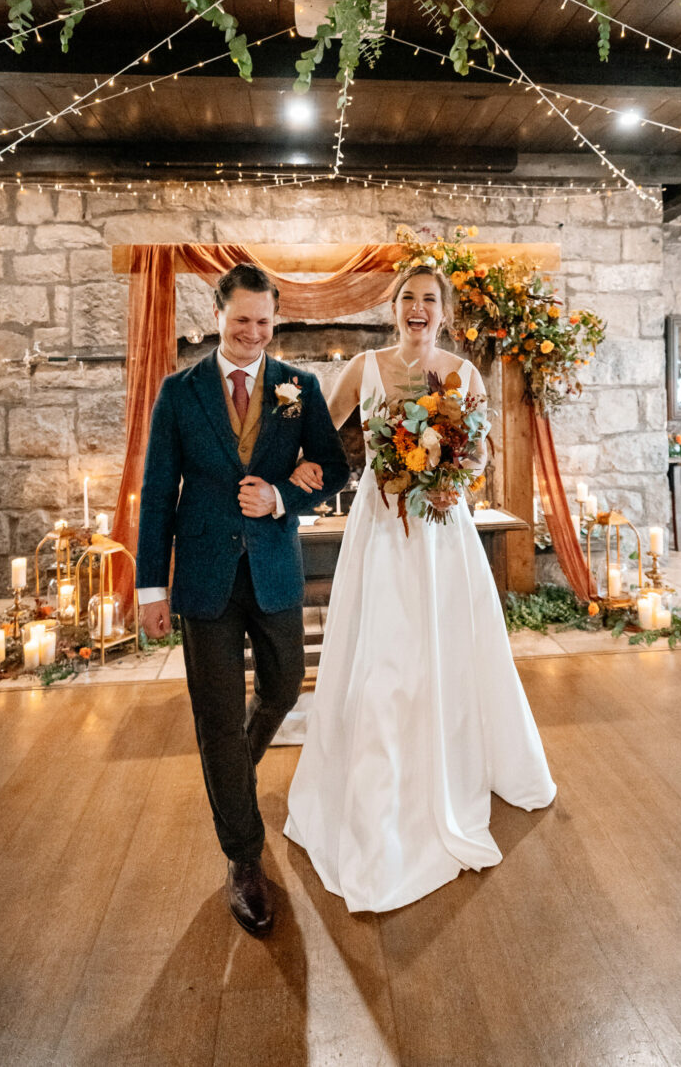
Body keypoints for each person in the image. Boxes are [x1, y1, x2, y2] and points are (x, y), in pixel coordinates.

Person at [283, 266, 556, 913]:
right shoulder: (364, 367)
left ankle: (446, 760)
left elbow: (480, 456)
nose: (416, 307)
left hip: (439, 532)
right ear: (393, 308)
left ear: (443, 311)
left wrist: (447, 476)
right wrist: (287, 468)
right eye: (406, 297)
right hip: (379, 528)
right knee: (381, 656)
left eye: (427, 300)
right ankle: (379, 782)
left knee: (442, 650)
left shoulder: (462, 373)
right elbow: (322, 433)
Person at [136, 263, 349, 937]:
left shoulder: (298, 386)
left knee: (284, 688)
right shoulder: (180, 392)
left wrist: (283, 496)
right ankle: (243, 857)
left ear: (274, 320)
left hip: (274, 570)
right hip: (202, 579)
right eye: (240, 322)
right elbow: (156, 493)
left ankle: (237, 765)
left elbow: (335, 467)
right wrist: (150, 585)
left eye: (263, 322)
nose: (253, 333)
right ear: (218, 316)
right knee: (217, 720)